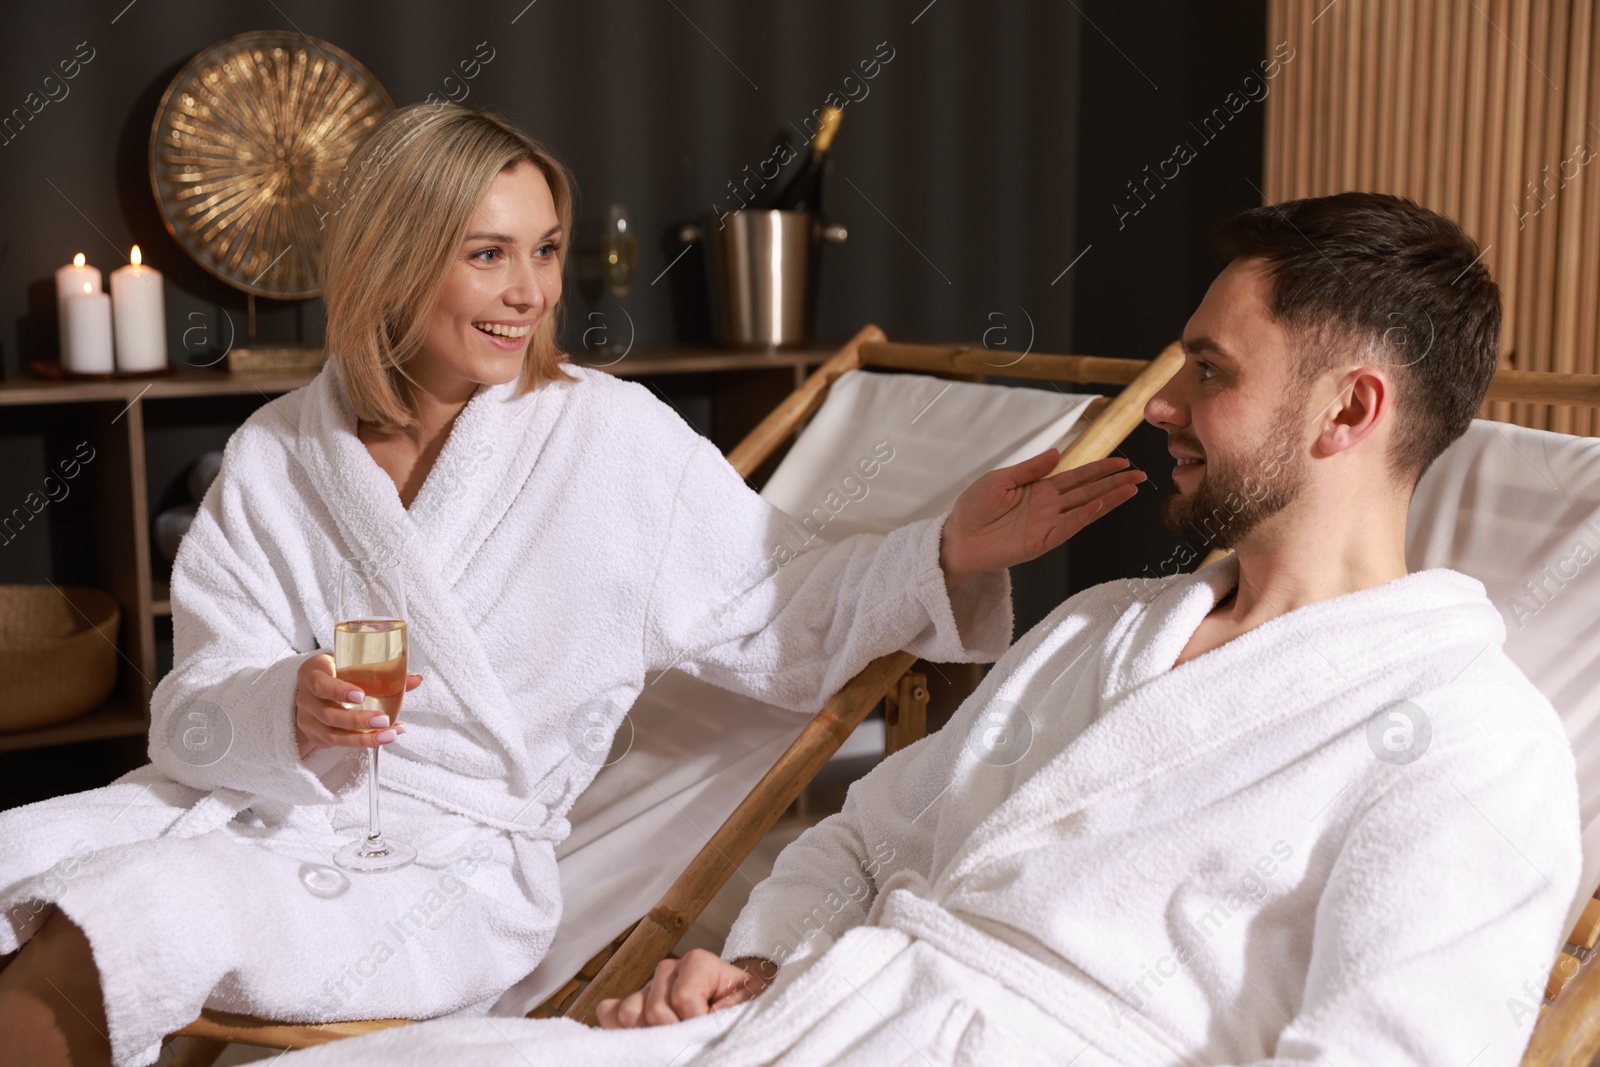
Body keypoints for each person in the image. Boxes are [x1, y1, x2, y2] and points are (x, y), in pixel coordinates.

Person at [277, 192, 1582, 1067]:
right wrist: (753, 961)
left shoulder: (1472, 746)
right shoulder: (1104, 629)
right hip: (824, 1015)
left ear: (1349, 411)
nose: (1168, 404)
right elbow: (860, 835)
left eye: (1212, 370)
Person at [0, 103, 1144, 1067]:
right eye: (487, 252)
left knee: (115, 921)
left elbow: (779, 605)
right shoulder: (277, 452)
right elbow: (193, 700)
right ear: (394, 258)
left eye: (544, 249)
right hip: (255, 802)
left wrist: (945, 549)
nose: (530, 292)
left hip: (438, 877)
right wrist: (276, 707)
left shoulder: (608, 442)